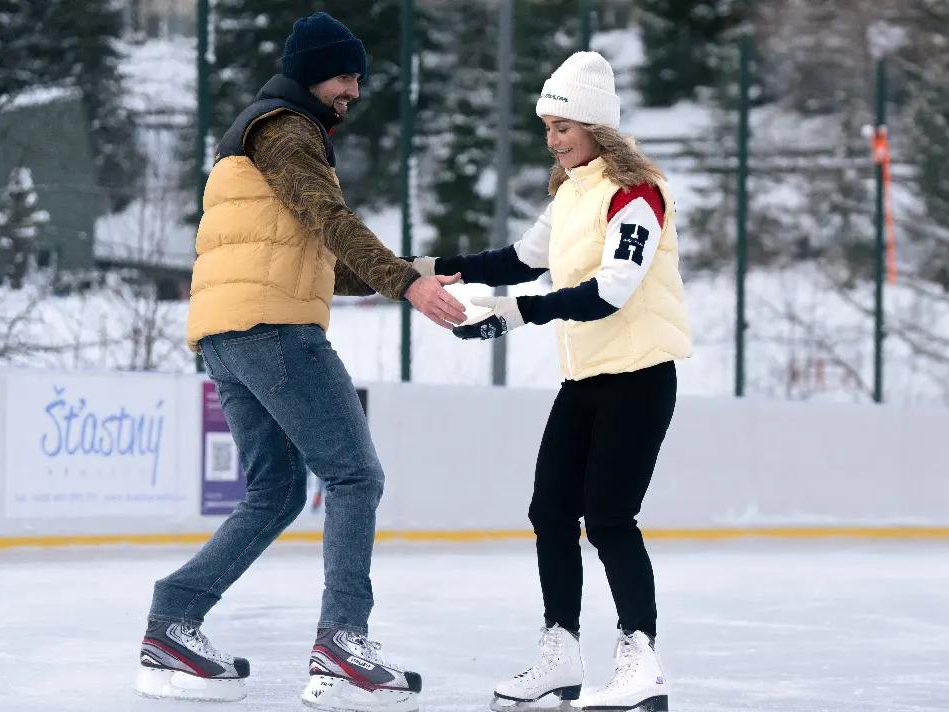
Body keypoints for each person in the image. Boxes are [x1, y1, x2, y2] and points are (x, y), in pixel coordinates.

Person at [132, 12, 464, 712]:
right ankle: (343, 645)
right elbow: (333, 225)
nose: (353, 91)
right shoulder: (286, 129)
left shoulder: (253, 133)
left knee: (276, 491)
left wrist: (413, 271)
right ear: (314, 70)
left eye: (358, 79)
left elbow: (315, 260)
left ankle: (173, 617)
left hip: (228, 334)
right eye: (346, 76)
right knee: (355, 475)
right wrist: (407, 283)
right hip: (275, 332)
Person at [409, 50, 690, 712]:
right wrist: (433, 265)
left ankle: (640, 659)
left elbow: (612, 291)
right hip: (587, 376)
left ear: (597, 126)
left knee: (612, 517)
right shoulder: (572, 194)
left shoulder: (636, 195)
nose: (553, 138)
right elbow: (518, 259)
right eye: (547, 126)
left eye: (563, 125)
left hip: (641, 377)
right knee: (551, 511)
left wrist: (519, 313)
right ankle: (561, 653)